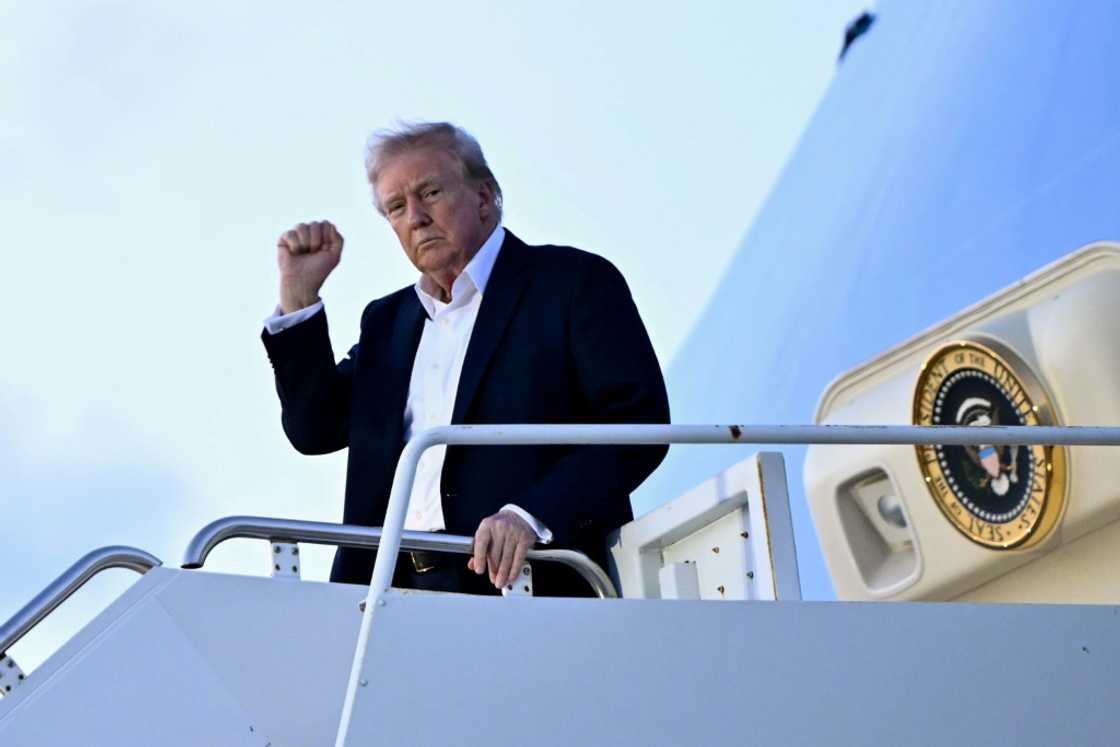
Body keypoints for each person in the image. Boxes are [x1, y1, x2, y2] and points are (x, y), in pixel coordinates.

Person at [261, 121, 669, 596]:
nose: (416, 217)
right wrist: (298, 297)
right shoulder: (386, 322)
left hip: (526, 581)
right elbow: (314, 430)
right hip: (388, 596)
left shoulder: (572, 282)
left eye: (430, 193)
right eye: (397, 207)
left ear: (484, 195)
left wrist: (532, 514)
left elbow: (638, 426)